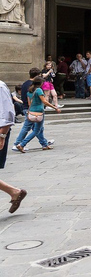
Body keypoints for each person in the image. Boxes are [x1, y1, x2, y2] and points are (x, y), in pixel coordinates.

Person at [0, 80, 27, 214]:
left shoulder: (0, 86)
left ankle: (15, 192)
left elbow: (8, 113)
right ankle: (15, 192)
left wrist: (2, 135)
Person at [16, 76, 61, 152]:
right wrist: (55, 107)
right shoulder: (39, 90)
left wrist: (29, 111)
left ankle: (44, 144)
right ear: (40, 83)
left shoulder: (29, 91)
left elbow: (29, 103)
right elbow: (44, 101)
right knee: (36, 130)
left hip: (31, 112)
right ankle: (22, 144)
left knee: (38, 129)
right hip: (39, 112)